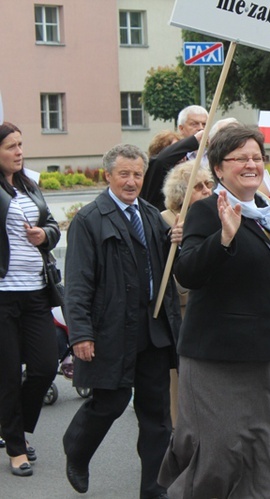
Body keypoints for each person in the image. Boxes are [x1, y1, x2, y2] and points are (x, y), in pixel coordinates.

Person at [158, 125, 270, 498]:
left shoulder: (269, 214)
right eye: (241, 158)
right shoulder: (205, 211)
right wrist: (224, 238)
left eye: (257, 157)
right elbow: (189, 272)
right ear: (218, 168)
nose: (251, 164)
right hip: (220, 359)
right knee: (220, 454)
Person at [63, 144, 182, 498]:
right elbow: (78, 282)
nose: (131, 182)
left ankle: (154, 489)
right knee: (111, 403)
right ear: (108, 176)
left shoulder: (151, 216)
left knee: (157, 416)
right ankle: (78, 449)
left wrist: (176, 241)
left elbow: (169, 272)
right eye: (124, 174)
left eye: (137, 175)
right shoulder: (89, 220)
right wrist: (80, 333)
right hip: (112, 329)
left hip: (153, 329)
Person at [0, 122, 60, 477]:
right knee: (7, 374)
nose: (19, 152)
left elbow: (52, 223)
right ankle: (16, 447)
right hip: (3, 297)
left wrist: (45, 234)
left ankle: (10, 427)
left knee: (44, 367)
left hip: (37, 292)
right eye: (11, 147)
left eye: (21, 145)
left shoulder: (29, 185)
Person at [160, 161, 214, 427]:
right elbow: (171, 279)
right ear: (181, 195)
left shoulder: (214, 217)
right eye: (198, 186)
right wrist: (179, 246)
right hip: (180, 318)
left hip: (212, 318)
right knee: (180, 395)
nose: (206, 191)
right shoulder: (166, 221)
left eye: (209, 185)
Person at [140, 105, 209, 211]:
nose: (200, 128)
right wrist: (194, 140)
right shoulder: (154, 172)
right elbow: (161, 161)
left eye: (204, 124)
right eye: (176, 153)